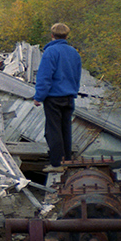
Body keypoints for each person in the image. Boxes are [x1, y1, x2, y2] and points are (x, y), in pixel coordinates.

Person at [33, 23, 82, 172]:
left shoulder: (50, 52)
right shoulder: (74, 53)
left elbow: (45, 77)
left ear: (52, 35)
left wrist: (38, 97)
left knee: (52, 131)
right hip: (69, 97)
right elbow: (77, 75)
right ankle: (66, 160)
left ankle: (56, 164)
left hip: (54, 98)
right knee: (65, 129)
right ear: (67, 36)